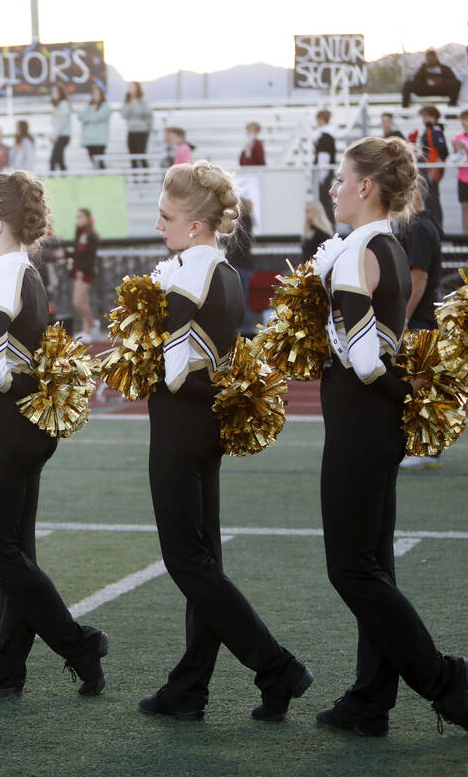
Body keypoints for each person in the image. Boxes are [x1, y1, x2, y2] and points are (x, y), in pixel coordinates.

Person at [313, 137, 468, 739]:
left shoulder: (359, 246)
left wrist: (336, 352)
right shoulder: (384, 241)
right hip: (373, 424)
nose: (333, 187)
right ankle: (369, 701)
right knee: (374, 565)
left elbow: (363, 358)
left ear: (365, 187)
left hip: (361, 421)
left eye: (340, 178)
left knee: (351, 569)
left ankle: (442, 677)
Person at [138, 162, 312, 723]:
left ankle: (276, 667)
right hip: (206, 426)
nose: (158, 224)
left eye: (167, 216)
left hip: (179, 425)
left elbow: (168, 371)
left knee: (188, 562)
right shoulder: (227, 270)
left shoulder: (186, 273)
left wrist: (137, 347)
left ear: (194, 225)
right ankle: (188, 688)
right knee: (203, 560)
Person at [0, 171, 109, 698]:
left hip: (6, 428)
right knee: (16, 549)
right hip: (28, 427)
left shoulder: (2, 276)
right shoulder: (22, 270)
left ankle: (76, 642)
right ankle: (9, 666)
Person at [396, 187, 445, 470]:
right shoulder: (425, 226)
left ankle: (425, 447)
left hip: (420, 316)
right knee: (420, 378)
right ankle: (424, 445)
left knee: (418, 380)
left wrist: (404, 318)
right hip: (424, 314)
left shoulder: (419, 228)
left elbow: (419, 277)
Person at [409, 106, 448, 228]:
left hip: (431, 170)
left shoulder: (435, 130)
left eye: (426, 116)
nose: (424, 119)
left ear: (433, 116)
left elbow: (443, 151)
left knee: (433, 202)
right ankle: (434, 228)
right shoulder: (429, 130)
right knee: (429, 201)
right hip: (426, 169)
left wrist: (434, 170)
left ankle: (437, 229)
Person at [69, 208, 100, 342]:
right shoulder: (80, 233)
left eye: (80, 217)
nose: (78, 220)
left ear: (87, 218)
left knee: (77, 301)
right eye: (77, 217)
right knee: (84, 301)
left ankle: (92, 324)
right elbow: (77, 253)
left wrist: (82, 269)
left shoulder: (91, 235)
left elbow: (90, 257)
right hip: (78, 271)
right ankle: (86, 330)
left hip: (85, 273)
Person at [227, 198, 256, 333]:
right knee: (242, 297)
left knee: (240, 298)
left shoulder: (242, 223)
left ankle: (243, 328)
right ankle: (244, 327)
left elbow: (239, 244)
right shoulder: (247, 221)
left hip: (239, 265)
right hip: (243, 265)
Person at [313, 110, 338, 226]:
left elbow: (324, 157)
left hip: (324, 175)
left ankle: (328, 227)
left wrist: (321, 177)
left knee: (325, 204)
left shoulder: (325, 136)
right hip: (326, 174)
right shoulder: (327, 136)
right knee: (325, 203)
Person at [123, 81, 153, 170]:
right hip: (131, 130)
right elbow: (124, 114)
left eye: (132, 87)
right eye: (129, 87)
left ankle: (145, 177)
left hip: (142, 131)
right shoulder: (127, 101)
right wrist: (130, 106)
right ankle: (135, 178)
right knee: (132, 154)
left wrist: (137, 106)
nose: (130, 89)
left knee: (141, 154)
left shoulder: (143, 99)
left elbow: (147, 112)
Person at [79, 86, 111, 168]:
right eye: (94, 94)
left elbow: (98, 117)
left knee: (100, 162)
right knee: (93, 161)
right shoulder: (89, 106)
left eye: (98, 94)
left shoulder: (105, 106)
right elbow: (80, 116)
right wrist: (91, 111)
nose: (96, 96)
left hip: (100, 140)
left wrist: (89, 116)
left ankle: (103, 178)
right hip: (89, 140)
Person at [301, 200, 334, 264]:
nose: (306, 214)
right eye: (305, 211)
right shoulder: (310, 230)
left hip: (317, 267)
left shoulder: (322, 233)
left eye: (308, 211)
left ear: (316, 212)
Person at [48, 85, 72, 172]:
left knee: (53, 160)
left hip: (62, 135)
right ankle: (64, 176)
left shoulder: (64, 104)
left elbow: (63, 121)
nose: (53, 94)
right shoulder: (57, 106)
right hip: (59, 135)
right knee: (59, 160)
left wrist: (56, 135)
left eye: (55, 92)